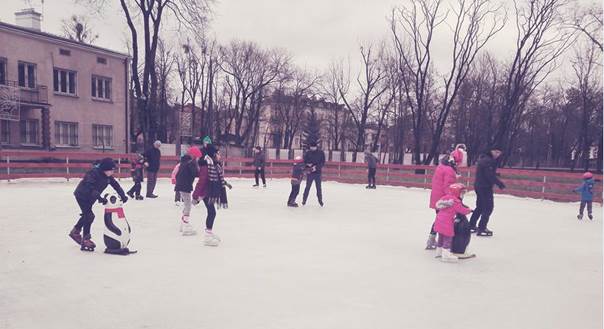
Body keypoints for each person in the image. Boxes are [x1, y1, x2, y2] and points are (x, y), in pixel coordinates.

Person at [69, 158, 128, 251]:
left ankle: (75, 232)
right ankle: (86, 239)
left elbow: (116, 185)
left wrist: (123, 196)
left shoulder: (108, 177)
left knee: (86, 215)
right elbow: (90, 187)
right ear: (105, 169)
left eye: (113, 170)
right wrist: (100, 198)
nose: (112, 173)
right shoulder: (93, 173)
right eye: (111, 170)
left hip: (92, 197)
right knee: (89, 216)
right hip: (82, 195)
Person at [193, 145, 232, 246]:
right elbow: (201, 181)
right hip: (206, 192)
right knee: (212, 212)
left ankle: (209, 233)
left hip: (209, 191)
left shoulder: (214, 164)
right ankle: (207, 236)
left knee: (212, 212)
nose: (220, 155)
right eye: (218, 153)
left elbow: (219, 179)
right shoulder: (206, 165)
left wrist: (226, 184)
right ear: (213, 154)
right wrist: (195, 196)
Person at [468, 147, 506, 236]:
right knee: (488, 207)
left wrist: (495, 174)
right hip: (484, 187)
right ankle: (482, 228)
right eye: (495, 152)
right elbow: (488, 175)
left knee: (480, 206)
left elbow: (485, 172)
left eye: (499, 152)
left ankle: (471, 225)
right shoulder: (489, 161)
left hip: (479, 185)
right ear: (491, 151)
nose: (497, 154)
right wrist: (499, 183)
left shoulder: (484, 158)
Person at [433, 183, 472, 262]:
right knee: (448, 237)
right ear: (457, 192)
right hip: (447, 222)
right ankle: (446, 255)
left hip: (439, 220)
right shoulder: (455, 201)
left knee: (441, 236)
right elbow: (462, 210)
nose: (463, 195)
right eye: (462, 193)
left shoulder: (445, 198)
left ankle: (439, 252)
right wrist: (469, 210)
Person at [426, 155, 459, 249]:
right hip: (443, 199)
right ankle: (436, 241)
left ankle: (432, 240)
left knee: (439, 219)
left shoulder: (440, 167)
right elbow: (448, 186)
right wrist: (453, 198)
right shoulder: (449, 170)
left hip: (436, 197)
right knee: (442, 220)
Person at [175, 147, 202, 235]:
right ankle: (185, 225)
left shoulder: (183, 162)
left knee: (187, 204)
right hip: (185, 186)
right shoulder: (191, 164)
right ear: (195, 156)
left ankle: (182, 224)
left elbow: (178, 174)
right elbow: (195, 173)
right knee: (188, 205)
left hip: (181, 185)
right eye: (198, 157)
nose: (198, 159)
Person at [302, 142, 326, 206]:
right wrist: (307, 165)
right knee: (307, 187)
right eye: (311, 147)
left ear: (316, 146)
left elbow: (323, 162)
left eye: (313, 147)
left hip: (318, 173)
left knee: (318, 187)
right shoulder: (308, 153)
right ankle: (304, 200)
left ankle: (320, 200)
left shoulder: (321, 153)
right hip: (310, 173)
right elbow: (304, 161)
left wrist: (316, 167)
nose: (312, 148)